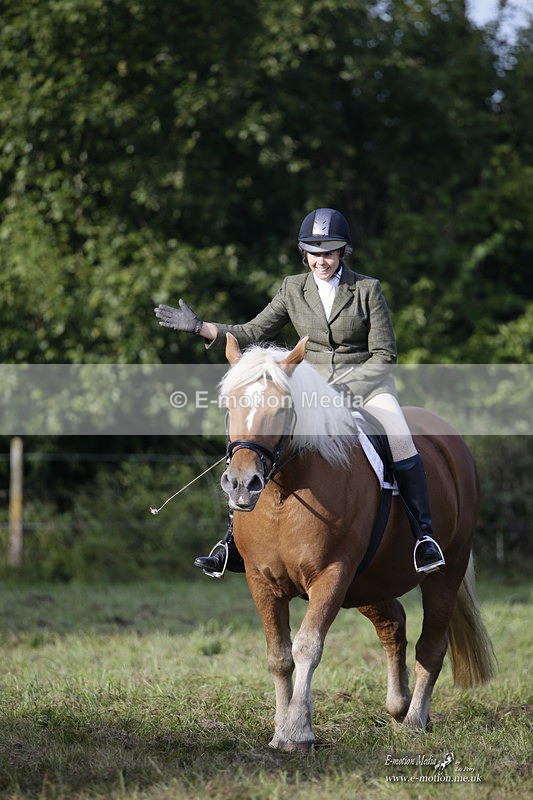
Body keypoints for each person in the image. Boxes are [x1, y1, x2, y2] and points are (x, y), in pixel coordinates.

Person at [154, 208, 445, 576]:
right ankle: (231, 542)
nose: (320, 260)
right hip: (311, 388)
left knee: (401, 438)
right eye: (313, 252)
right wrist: (202, 328)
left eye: (329, 252)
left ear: (343, 253)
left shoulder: (367, 289)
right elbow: (252, 330)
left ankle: (424, 537)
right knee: (254, 437)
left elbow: (384, 355)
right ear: (303, 253)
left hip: (367, 386)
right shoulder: (293, 287)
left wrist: (343, 388)